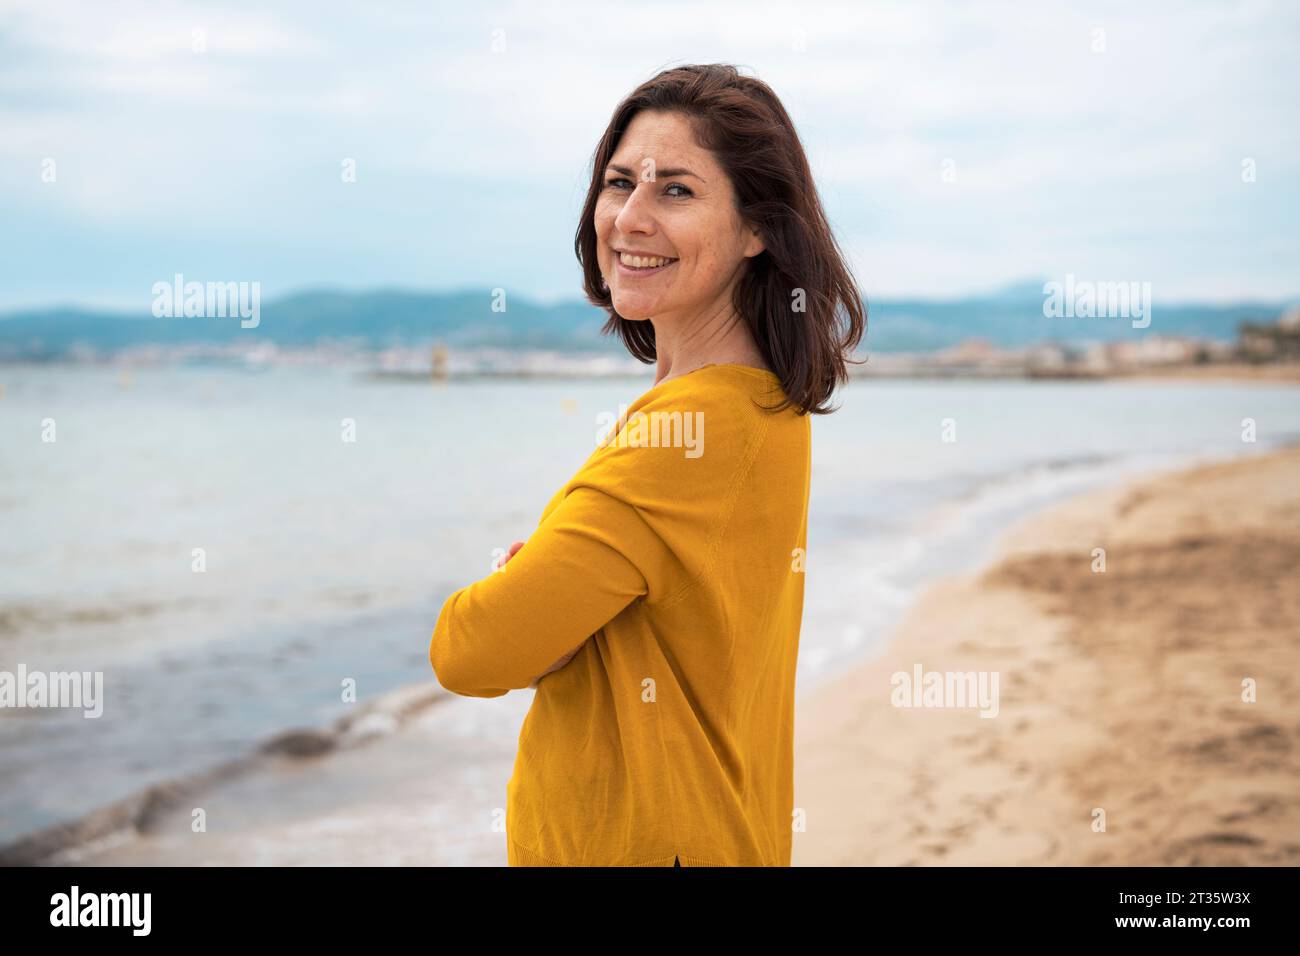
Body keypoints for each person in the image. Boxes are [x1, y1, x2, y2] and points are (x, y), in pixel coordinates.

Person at [429, 63, 864, 866]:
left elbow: (469, 651)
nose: (629, 218)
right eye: (620, 181)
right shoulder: (760, 405)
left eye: (677, 192)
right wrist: (554, 608)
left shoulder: (690, 428)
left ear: (758, 228)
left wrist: (521, 603)